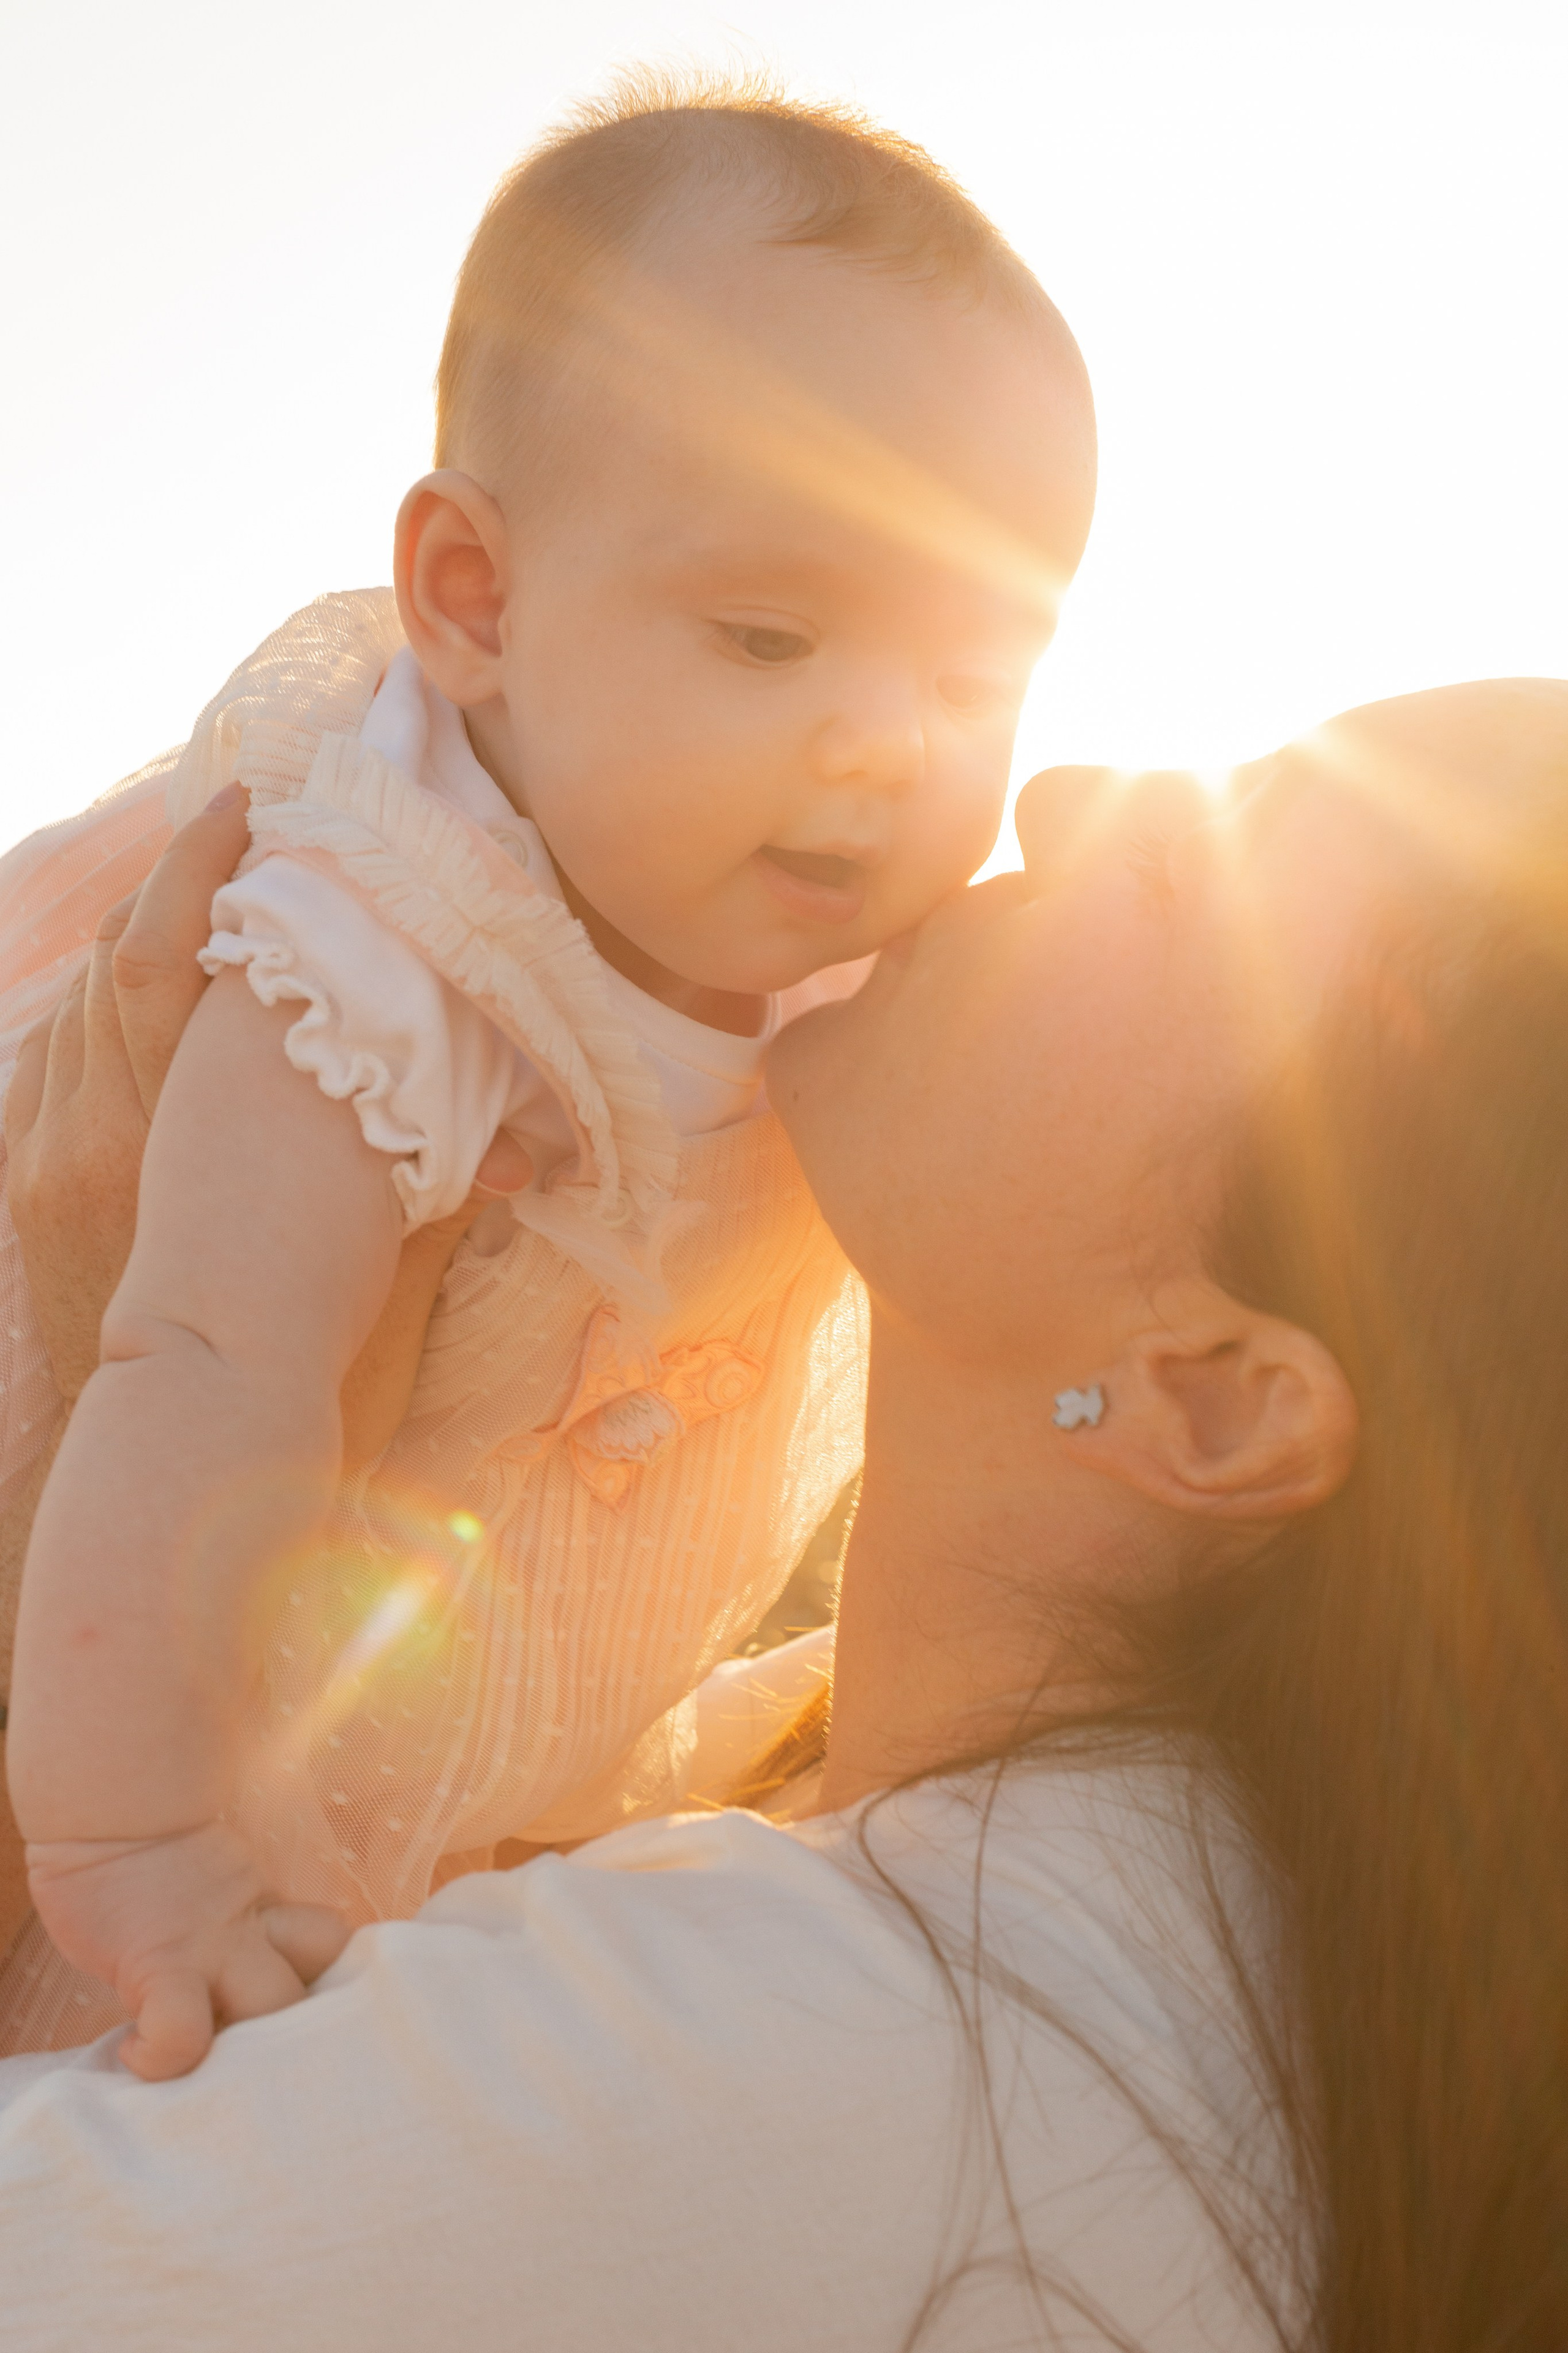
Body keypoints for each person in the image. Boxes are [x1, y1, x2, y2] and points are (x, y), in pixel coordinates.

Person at [0, 677, 1563, 2353]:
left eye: (1193, 876)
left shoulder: (825, 2068)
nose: (1070, 789)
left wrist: (104, 1401)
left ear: (1213, 1399)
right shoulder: (1190, 1968)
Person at [0, 78, 1096, 2071]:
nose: (885, 744)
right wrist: (143, 1835)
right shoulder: (394, 924)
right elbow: (192, 1365)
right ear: (477, 602)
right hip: (120, 1629)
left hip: (402, 1632)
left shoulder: (831, 957)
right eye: (773, 636)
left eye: (970, 675)